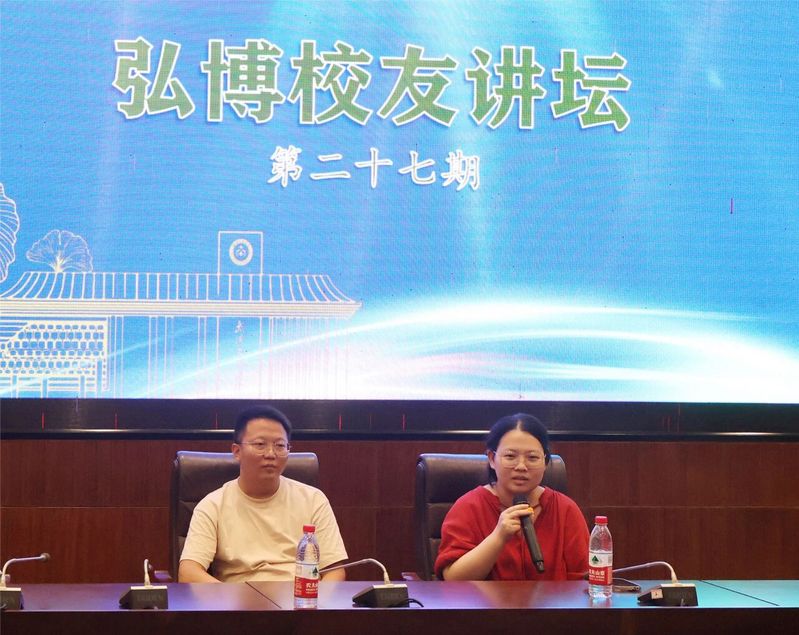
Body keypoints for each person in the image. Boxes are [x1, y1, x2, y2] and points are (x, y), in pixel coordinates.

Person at [179, 405, 348, 583]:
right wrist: (229, 597)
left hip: (299, 596)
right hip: (238, 597)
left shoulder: (313, 500)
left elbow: (335, 572)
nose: (270, 454)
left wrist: (313, 598)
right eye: (260, 444)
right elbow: (188, 572)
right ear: (237, 451)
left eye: (280, 445)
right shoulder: (213, 505)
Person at [435, 413, 589, 581]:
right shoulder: (469, 507)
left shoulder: (565, 509)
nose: (521, 466)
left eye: (532, 457)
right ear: (492, 459)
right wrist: (498, 537)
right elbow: (453, 580)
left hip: (553, 600)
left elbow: (585, 580)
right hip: (486, 600)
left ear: (545, 462)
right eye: (510, 456)